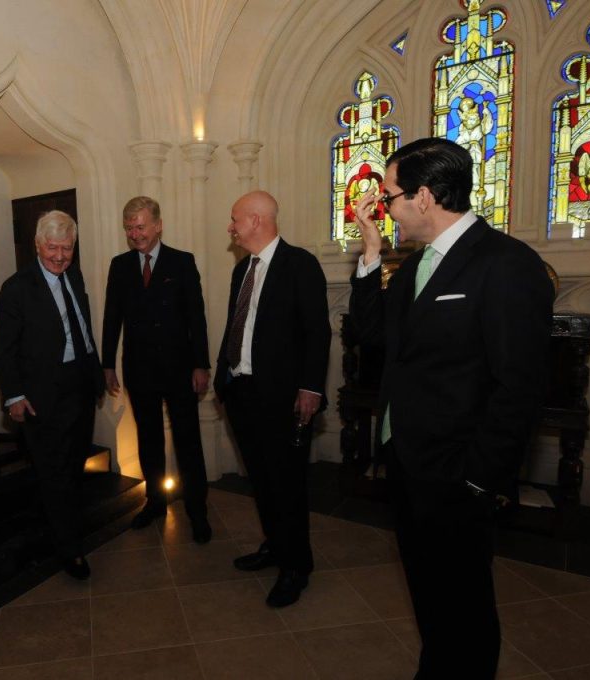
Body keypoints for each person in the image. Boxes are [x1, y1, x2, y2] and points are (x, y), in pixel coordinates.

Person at [349, 137, 553, 678]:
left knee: (466, 607)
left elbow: (521, 386)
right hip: (409, 462)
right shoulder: (416, 266)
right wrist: (370, 250)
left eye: (388, 196)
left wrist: (480, 481)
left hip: (460, 474)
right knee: (431, 598)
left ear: (422, 197)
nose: (383, 207)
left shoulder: (506, 263)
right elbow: (371, 336)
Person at [214, 190, 331, 608]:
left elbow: (318, 333)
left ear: (257, 220)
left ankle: (296, 565)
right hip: (242, 393)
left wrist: (311, 388)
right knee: (261, 481)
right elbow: (236, 327)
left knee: (287, 484)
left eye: (235, 220)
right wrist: (222, 380)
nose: (231, 227)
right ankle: (276, 546)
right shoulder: (241, 270)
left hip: (283, 399)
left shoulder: (300, 265)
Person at [0, 210, 104, 581]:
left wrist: (97, 373)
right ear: (37, 245)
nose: (60, 256)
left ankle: (65, 527)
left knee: (74, 466)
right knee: (54, 471)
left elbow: (82, 330)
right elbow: (5, 350)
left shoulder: (74, 274)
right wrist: (14, 396)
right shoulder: (17, 287)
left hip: (80, 384)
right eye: (53, 248)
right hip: (44, 393)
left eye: (67, 248)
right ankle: (70, 550)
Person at [101, 197, 212, 543]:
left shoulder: (182, 262)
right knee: (148, 439)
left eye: (141, 226)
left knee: (187, 441)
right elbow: (111, 318)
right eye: (130, 228)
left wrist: (201, 363)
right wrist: (107, 364)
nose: (136, 234)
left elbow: (196, 316)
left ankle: (198, 511)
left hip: (180, 369)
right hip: (139, 369)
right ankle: (155, 503)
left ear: (158, 225)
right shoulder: (119, 266)